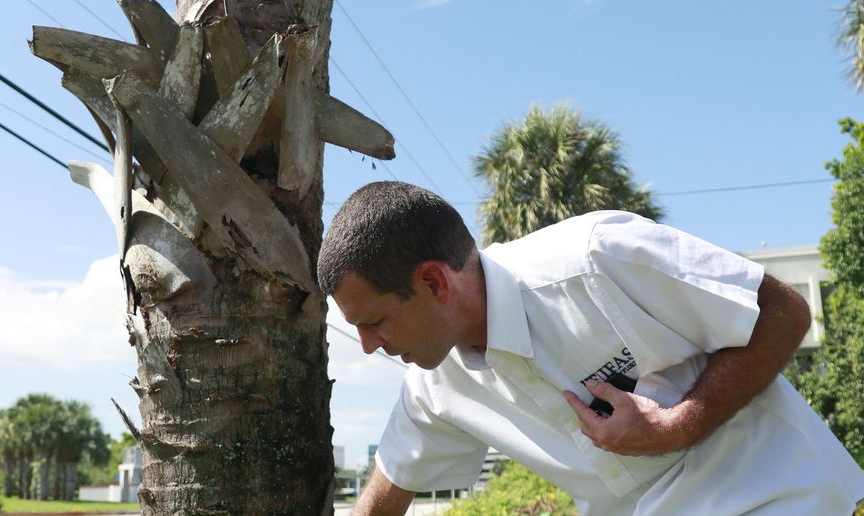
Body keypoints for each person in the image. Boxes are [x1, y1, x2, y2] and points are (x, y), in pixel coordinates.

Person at [317, 181, 864, 516]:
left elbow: (783, 311)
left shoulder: (596, 258)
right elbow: (387, 490)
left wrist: (679, 425)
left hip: (780, 499)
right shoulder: (433, 385)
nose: (367, 347)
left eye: (376, 321)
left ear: (435, 283)